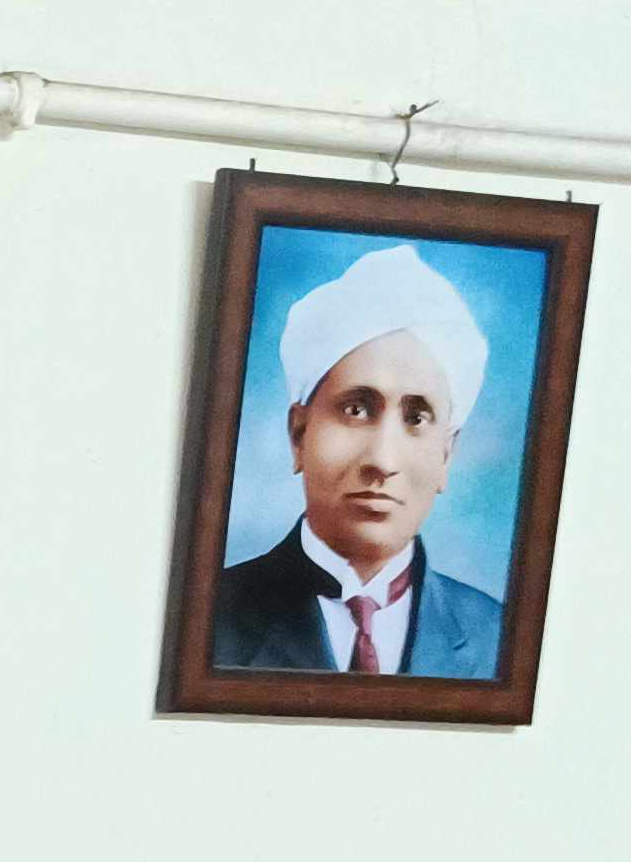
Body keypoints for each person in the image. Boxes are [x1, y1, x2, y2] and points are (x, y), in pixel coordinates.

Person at [212, 240, 504, 678]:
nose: (383, 461)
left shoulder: (498, 638)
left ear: (446, 455)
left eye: (416, 417)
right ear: (299, 435)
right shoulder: (210, 617)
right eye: (356, 409)